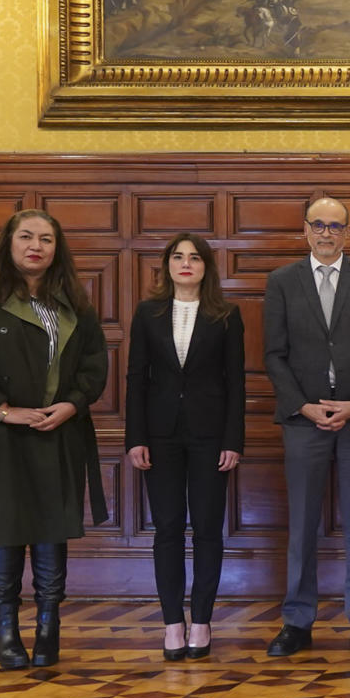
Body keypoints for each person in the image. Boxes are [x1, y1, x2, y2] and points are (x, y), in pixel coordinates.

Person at [0, 208, 109, 670]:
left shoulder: (74, 302)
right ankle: (6, 632)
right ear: (9, 242)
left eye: (46, 239)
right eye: (26, 236)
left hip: (58, 432)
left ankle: (48, 628)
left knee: (50, 529)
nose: (36, 245)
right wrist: (4, 409)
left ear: (57, 249)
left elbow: (94, 364)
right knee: (3, 529)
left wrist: (73, 404)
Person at [263, 194, 350, 657]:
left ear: (347, 233)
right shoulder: (281, 281)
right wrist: (304, 406)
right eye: (318, 224)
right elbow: (273, 355)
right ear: (305, 230)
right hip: (303, 420)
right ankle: (297, 621)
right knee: (302, 523)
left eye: (335, 226)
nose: (326, 232)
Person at [125, 234, 245, 662]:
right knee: (168, 529)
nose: (186, 264)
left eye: (195, 257)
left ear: (206, 266)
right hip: (159, 436)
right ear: (167, 265)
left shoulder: (226, 314)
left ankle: (202, 621)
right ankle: (172, 622)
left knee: (209, 530)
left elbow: (236, 383)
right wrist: (135, 437)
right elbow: (136, 378)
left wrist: (234, 440)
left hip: (211, 436)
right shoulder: (147, 313)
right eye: (178, 257)